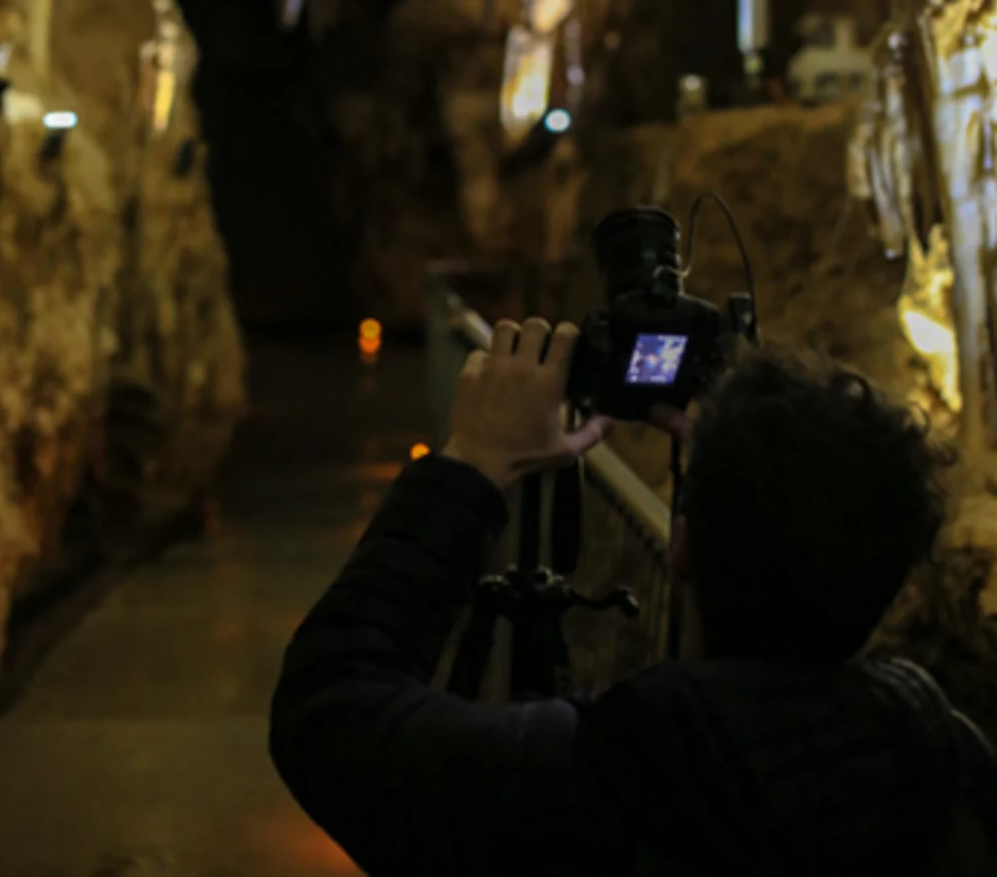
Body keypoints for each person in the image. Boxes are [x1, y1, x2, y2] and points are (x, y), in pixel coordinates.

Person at [269, 322, 997, 877]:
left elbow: (331, 709)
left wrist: (472, 464)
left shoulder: (613, 780)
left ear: (679, 548)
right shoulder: (944, 760)